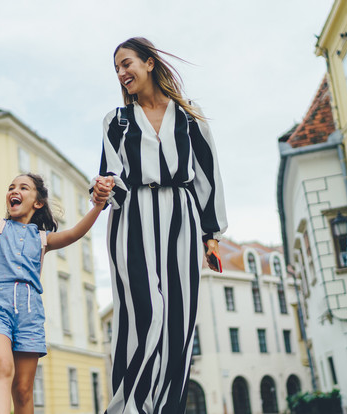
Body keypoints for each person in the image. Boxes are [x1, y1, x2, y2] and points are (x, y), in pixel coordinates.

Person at [95, 37, 228, 413]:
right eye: (117, 69)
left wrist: (211, 235)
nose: (122, 74)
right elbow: (109, 175)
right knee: (144, 312)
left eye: (127, 64)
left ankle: (168, 408)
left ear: (149, 63)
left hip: (182, 216)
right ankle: (129, 407)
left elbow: (208, 174)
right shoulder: (116, 121)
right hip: (131, 215)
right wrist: (102, 188)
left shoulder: (189, 116)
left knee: (179, 318)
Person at [0, 136, 113, 414]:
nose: (13, 191)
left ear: (38, 202)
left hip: (30, 313)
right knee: (2, 367)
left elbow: (76, 232)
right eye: (11, 187)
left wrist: (98, 206)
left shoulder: (43, 239)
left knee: (24, 390)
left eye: (23, 187)